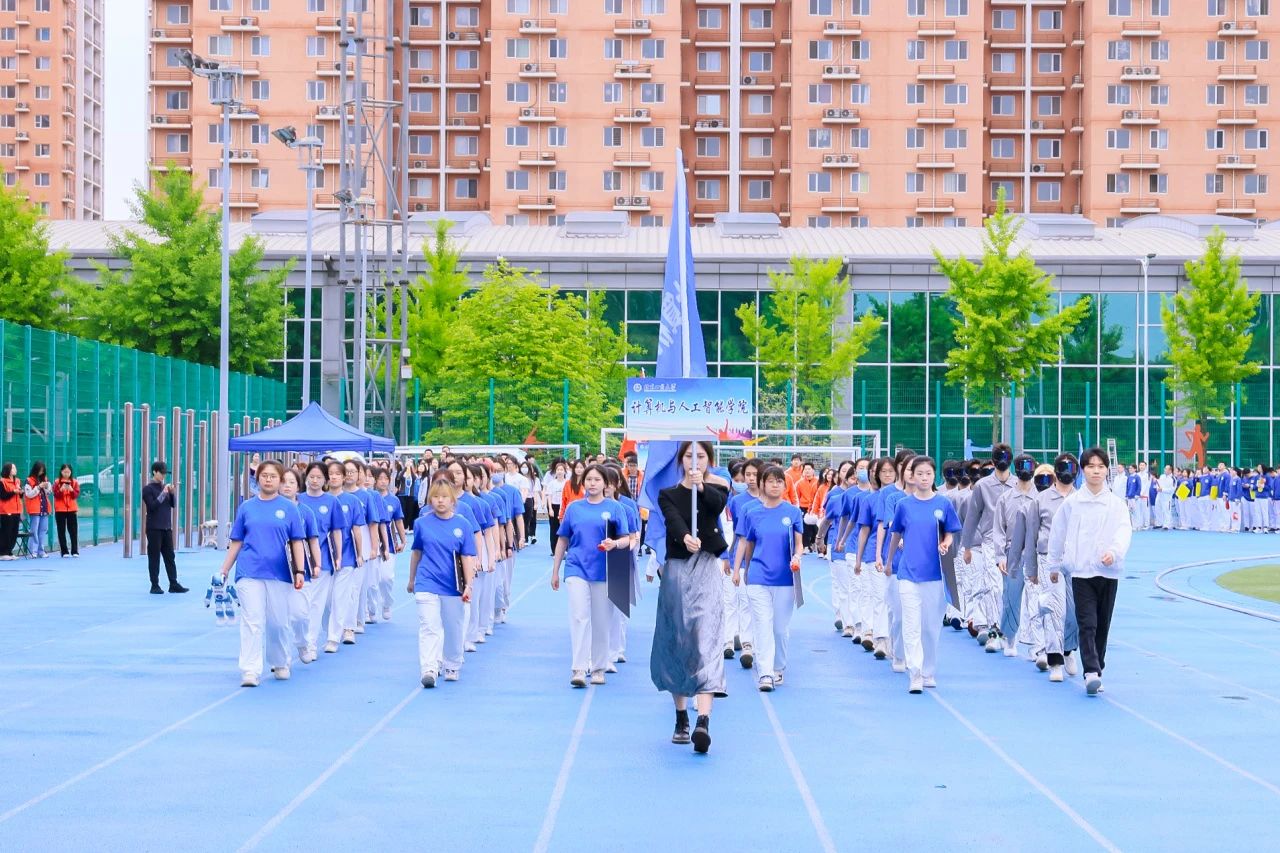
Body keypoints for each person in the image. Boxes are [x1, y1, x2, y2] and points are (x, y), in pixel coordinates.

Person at [651, 441, 730, 754]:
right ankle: (681, 716)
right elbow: (672, 520)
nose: (694, 461)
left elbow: (717, 506)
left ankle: (703, 721)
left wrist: (702, 486)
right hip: (678, 570)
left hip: (707, 567)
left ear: (709, 459)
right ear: (680, 460)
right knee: (678, 639)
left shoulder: (718, 487)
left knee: (707, 638)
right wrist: (685, 536)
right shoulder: (667, 493)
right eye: (688, 456)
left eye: (700, 456)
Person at [1045, 447, 1132, 696]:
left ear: (1106, 470)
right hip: (1081, 572)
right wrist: (1054, 565)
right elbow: (1057, 533)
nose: (1096, 471)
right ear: (1083, 470)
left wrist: (1114, 552)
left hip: (1108, 572)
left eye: (1100, 466)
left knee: (1102, 624)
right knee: (1087, 623)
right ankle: (1091, 672)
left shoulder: (1116, 504)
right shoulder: (1073, 503)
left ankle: (1098, 667)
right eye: (1091, 466)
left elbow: (1124, 531)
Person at [219, 460, 308, 687]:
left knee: (278, 622)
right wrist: (224, 569)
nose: (268, 480)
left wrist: (299, 570)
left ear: (280, 480)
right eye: (264, 475)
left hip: (280, 573)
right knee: (252, 620)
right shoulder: (246, 507)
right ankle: (250, 669)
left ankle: (280, 661)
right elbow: (237, 540)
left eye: (273, 476)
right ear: (257, 478)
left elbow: (297, 541)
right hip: (249, 571)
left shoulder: (289, 508)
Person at [551, 464, 632, 688]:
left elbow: (627, 538)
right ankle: (578, 668)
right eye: (589, 479)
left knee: (601, 620)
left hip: (603, 571)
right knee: (579, 616)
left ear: (605, 483)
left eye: (597, 479)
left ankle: (598, 668)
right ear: (583, 482)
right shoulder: (574, 508)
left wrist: (615, 543)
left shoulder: (615, 508)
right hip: (576, 568)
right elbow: (563, 540)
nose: (592, 483)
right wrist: (556, 570)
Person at [886, 456, 962, 693]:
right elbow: (896, 535)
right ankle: (915, 673)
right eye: (919, 473)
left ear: (934, 475)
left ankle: (928, 671)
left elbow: (950, 532)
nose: (924, 478)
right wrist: (888, 561)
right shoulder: (904, 505)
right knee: (911, 626)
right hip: (909, 574)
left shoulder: (943, 504)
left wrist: (946, 543)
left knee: (930, 628)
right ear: (912, 476)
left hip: (936, 576)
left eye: (928, 473)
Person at [732, 464, 803, 693]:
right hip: (758, 577)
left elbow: (799, 543)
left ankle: (778, 667)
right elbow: (747, 544)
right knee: (762, 626)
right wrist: (740, 570)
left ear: (784, 485)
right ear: (762, 484)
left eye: (779, 481)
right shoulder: (753, 513)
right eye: (770, 481)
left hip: (785, 579)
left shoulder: (793, 513)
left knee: (779, 629)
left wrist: (797, 556)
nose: (775, 485)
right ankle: (765, 672)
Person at [1017, 454, 1081, 683]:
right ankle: (1054, 659)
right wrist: (1031, 569)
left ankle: (1068, 649)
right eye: (1063, 467)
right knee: (1053, 608)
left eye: (1071, 468)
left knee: (1073, 611)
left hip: (1076, 561)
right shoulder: (1040, 500)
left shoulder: (1081, 499)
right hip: (1048, 560)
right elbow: (1031, 536)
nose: (1067, 472)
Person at [409, 479, 479, 688]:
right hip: (426, 582)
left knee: (453, 627)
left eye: (445, 497)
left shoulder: (463, 525)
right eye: (436, 497)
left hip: (452, 585)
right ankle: (429, 668)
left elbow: (467, 557)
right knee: (429, 626)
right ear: (430, 499)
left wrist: (469, 585)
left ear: (452, 500)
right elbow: (416, 552)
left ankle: (452, 664)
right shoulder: (421, 523)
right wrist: (412, 579)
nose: (440, 501)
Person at [959, 444, 1015, 652]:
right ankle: (994, 631)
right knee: (994, 587)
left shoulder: (1018, 484)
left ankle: (1011, 633)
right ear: (992, 460)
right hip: (990, 542)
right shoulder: (982, 486)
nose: (1002, 460)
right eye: (998, 456)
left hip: (1015, 544)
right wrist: (966, 547)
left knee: (1012, 590)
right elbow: (972, 517)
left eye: (1006, 456)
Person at [991, 454, 1040, 659]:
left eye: (1029, 465)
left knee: (1037, 600)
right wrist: (1000, 556)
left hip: (1036, 553)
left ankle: (1037, 645)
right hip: (1013, 553)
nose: (1025, 469)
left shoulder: (1041, 496)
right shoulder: (1005, 498)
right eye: (1021, 465)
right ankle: (1009, 637)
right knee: (1011, 596)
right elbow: (998, 529)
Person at [297, 462, 342, 661]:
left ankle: (311, 644)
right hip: (296, 564)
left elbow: (336, 531)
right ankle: (299, 641)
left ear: (325, 480)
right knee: (299, 607)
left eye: (319, 477)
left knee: (315, 605)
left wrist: (338, 556)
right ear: (306, 478)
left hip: (321, 561)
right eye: (311, 477)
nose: (315, 481)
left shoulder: (331, 502)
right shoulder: (298, 500)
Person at [280, 468, 323, 665]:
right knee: (279, 618)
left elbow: (313, 541)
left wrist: (317, 564)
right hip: (276, 570)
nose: (287, 486)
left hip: (300, 569)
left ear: (298, 486)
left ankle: (302, 643)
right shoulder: (272, 509)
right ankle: (282, 658)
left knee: (300, 614)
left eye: (291, 482)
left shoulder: (305, 512)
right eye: (284, 482)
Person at [328, 459, 367, 649]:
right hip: (324, 555)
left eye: (338, 474)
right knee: (327, 600)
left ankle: (345, 630)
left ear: (344, 477)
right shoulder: (321, 499)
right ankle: (332, 629)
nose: (334, 477)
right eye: (331, 474)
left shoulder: (352, 501)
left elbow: (357, 530)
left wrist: (360, 553)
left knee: (344, 595)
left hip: (347, 554)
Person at [142, 461, 188, 594]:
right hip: (154, 528)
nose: (163, 475)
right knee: (154, 557)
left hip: (166, 527)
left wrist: (172, 493)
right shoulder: (148, 489)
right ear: (154, 472)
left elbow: (173, 505)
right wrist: (164, 493)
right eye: (161, 473)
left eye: (164, 473)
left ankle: (173, 583)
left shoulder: (165, 488)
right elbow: (152, 506)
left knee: (170, 556)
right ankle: (154, 585)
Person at [375, 468, 408, 622]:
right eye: (380, 478)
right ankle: (369, 609)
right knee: (371, 581)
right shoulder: (371, 498)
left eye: (385, 479)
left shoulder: (394, 500)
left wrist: (403, 540)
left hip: (389, 543)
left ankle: (387, 603)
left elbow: (398, 521)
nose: (383, 481)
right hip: (372, 543)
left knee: (386, 577)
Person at [23, 462, 54, 559]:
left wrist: (47, 487)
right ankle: (33, 551)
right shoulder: (28, 480)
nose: (41, 472)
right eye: (40, 470)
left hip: (44, 508)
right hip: (34, 509)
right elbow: (29, 495)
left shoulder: (45, 479)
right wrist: (38, 487)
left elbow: (49, 492)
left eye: (43, 471)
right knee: (34, 530)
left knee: (43, 529)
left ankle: (41, 550)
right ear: (35, 469)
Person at [53, 464, 80, 558]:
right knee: (61, 531)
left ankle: (75, 551)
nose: (66, 474)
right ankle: (64, 551)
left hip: (72, 509)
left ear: (71, 472)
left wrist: (71, 490)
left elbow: (76, 495)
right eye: (65, 472)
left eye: (68, 472)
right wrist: (61, 490)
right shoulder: (57, 482)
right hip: (60, 509)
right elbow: (56, 495)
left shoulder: (75, 482)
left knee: (73, 531)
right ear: (61, 472)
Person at [542, 459, 570, 551]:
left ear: (565, 471)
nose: (559, 471)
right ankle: (554, 549)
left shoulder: (567, 483)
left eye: (561, 470)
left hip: (564, 507)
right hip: (554, 506)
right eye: (558, 469)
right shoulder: (551, 483)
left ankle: (565, 549)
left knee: (565, 528)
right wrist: (550, 508)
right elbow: (549, 496)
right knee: (554, 528)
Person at [0, 463, 22, 560]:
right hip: (6, 511)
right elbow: (3, 496)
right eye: (13, 468)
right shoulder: (2, 481)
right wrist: (13, 492)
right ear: (8, 470)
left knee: (14, 532)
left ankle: (9, 552)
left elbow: (20, 496)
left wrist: (21, 492)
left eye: (15, 467)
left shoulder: (17, 481)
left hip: (17, 510)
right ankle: (3, 553)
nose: (15, 469)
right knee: (6, 532)